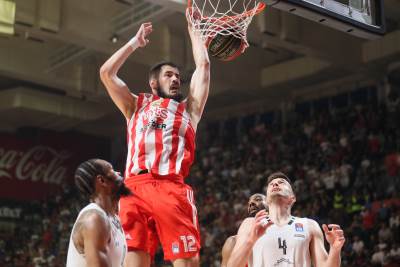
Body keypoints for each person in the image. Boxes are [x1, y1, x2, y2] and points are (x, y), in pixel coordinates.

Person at [99, 9, 210, 267]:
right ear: (153, 83)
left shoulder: (188, 109)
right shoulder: (135, 106)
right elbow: (106, 73)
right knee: (134, 258)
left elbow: (203, 66)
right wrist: (134, 43)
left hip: (170, 186)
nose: (175, 80)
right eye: (169, 75)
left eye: (178, 77)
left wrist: (195, 32)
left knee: (186, 261)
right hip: (133, 188)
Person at [227, 172, 346, 267]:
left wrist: (335, 249)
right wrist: (251, 240)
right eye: (271, 184)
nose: (275, 184)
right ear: (267, 200)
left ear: (292, 198)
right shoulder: (251, 224)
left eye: (281, 182)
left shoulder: (309, 225)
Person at [66, 159, 133, 267]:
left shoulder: (113, 218)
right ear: (102, 181)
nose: (119, 173)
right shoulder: (94, 218)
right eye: (112, 170)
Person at [221, 194, 267, 267]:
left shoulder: (280, 233)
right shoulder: (233, 241)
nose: (252, 204)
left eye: (258, 199)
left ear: (269, 204)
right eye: (249, 203)